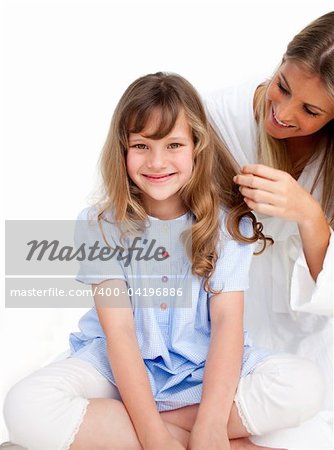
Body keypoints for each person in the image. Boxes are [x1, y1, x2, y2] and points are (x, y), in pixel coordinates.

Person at [4, 72, 324, 450]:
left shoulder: (227, 225)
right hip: (115, 367)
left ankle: (136, 431)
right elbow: (119, 334)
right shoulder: (99, 226)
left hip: (201, 368)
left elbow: (226, 324)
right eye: (141, 145)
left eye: (174, 145)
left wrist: (210, 424)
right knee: (24, 406)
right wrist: (155, 439)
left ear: (196, 148)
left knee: (305, 387)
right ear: (122, 150)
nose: (157, 162)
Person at [204, 11, 334, 415]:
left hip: (311, 333)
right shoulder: (218, 117)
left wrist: (309, 215)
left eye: (311, 112)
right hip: (222, 316)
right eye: (283, 86)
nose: (284, 113)